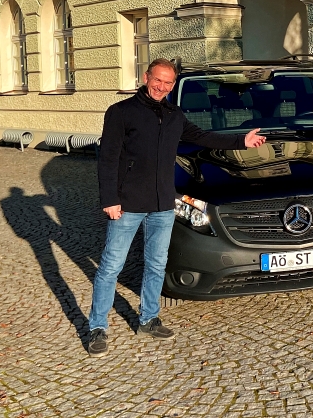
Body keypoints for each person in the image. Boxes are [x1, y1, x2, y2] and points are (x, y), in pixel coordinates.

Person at [87, 58, 266, 357]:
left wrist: (241, 141)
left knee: (157, 264)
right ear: (146, 77)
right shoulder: (121, 112)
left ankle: (148, 318)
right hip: (127, 203)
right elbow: (107, 158)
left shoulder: (174, 114)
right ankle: (97, 327)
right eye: (158, 80)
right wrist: (109, 200)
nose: (162, 87)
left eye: (168, 83)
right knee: (111, 266)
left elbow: (203, 137)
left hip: (161, 203)